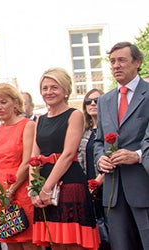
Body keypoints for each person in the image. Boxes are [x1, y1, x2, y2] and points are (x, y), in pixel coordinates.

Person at [30, 67, 100, 249]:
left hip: (69, 182)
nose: (48, 92)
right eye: (45, 88)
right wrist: (34, 189)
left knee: (72, 242)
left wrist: (46, 188)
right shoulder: (39, 119)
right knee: (54, 242)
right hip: (44, 183)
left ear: (66, 90)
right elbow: (33, 157)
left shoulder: (74, 115)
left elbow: (69, 154)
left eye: (54, 87)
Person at [96, 42, 149, 249]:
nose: (116, 65)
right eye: (112, 61)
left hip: (142, 185)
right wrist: (100, 158)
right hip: (114, 192)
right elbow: (99, 141)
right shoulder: (105, 100)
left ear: (137, 62)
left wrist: (136, 155)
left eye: (122, 60)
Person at [0, 83, 37, 249]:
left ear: (15, 102)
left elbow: (28, 161)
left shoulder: (27, 125)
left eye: (3, 102)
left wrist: (11, 190)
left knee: (28, 241)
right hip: (1, 192)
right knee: (10, 240)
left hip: (21, 189)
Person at [79, 88, 110, 249]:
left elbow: (112, 156)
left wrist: (98, 181)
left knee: (110, 229)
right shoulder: (84, 132)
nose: (92, 104)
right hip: (88, 187)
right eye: (88, 101)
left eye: (96, 101)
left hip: (108, 184)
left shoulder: (110, 128)